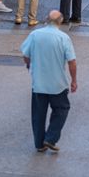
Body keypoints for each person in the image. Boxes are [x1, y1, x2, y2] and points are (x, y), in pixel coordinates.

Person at [20, 10, 78, 152]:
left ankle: (39, 144)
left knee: (38, 114)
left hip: (39, 82)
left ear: (46, 19)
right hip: (57, 83)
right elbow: (72, 62)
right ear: (60, 21)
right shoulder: (63, 38)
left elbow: (25, 54)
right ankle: (50, 138)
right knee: (62, 109)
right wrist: (74, 80)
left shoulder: (35, 35)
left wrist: (30, 66)